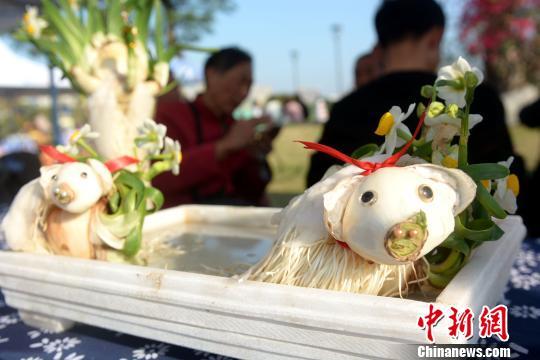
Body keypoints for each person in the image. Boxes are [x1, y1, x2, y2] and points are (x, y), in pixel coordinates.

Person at [307, 0, 524, 190]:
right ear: (434, 38)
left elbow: (317, 185)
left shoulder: (347, 108)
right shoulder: (479, 101)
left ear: (381, 41)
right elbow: (509, 181)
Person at [153, 47, 276, 208]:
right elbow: (161, 179)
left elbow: (251, 194)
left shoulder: (234, 126)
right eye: (240, 81)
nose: (244, 92)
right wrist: (223, 147)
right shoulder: (172, 116)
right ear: (211, 75)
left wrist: (255, 158)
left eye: (249, 84)